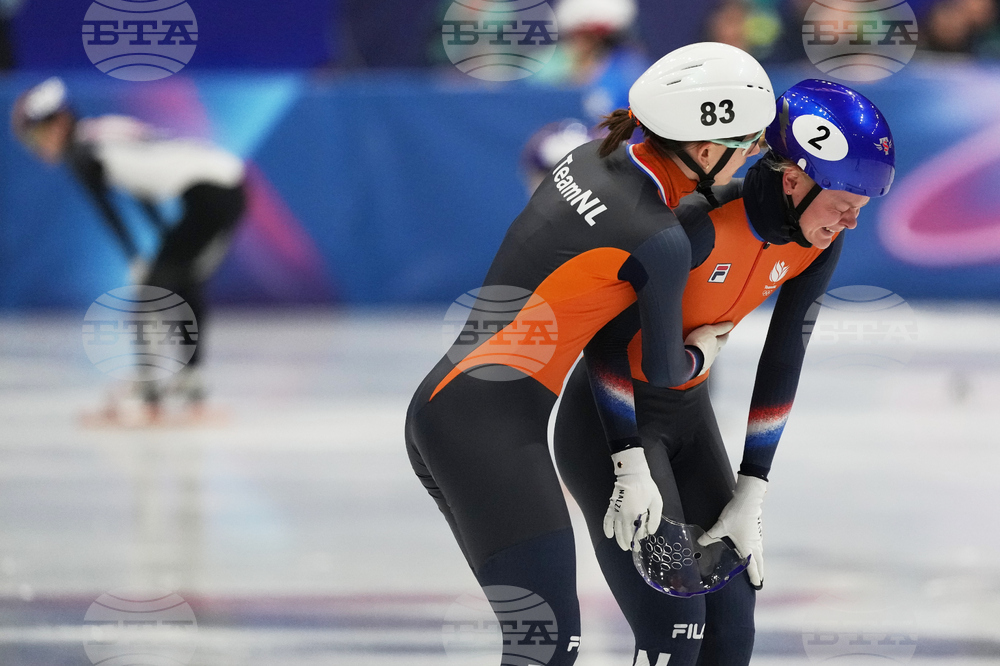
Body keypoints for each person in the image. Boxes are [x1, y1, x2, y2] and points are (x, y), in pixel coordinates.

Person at [405, 42, 775, 665]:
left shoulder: (586, 158)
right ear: (707, 149)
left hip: (452, 408)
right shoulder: (657, 242)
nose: (753, 161)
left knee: (542, 644)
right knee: (545, 647)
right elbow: (661, 370)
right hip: (490, 434)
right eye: (750, 146)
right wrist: (707, 347)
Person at [553, 80, 896, 665]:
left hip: (687, 415)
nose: (851, 224)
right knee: (676, 623)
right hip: (609, 425)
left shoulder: (818, 240)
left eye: (860, 212)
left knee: (733, 624)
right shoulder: (694, 223)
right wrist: (627, 461)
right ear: (795, 179)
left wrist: (752, 490)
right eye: (844, 206)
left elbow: (784, 356)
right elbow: (606, 338)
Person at [11, 77, 246, 413]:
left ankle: (152, 386)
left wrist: (136, 255)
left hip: (215, 194)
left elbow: (111, 211)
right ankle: (187, 379)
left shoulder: (81, 154)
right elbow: (141, 184)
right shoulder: (96, 132)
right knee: (181, 282)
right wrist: (158, 238)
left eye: (35, 136)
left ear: (59, 121)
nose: (37, 148)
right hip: (217, 187)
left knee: (155, 289)